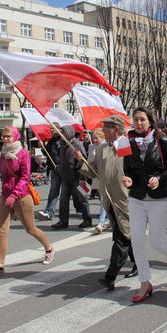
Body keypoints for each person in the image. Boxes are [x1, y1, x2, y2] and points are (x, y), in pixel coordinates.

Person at [122, 107, 167, 303]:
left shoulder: (163, 140)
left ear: (150, 121)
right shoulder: (128, 142)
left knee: (157, 240)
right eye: (135, 119)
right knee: (136, 240)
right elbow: (128, 170)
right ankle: (145, 282)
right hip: (136, 197)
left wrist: (160, 178)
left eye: (142, 119)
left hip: (158, 198)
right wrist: (128, 180)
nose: (139, 123)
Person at [74, 115, 138, 289]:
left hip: (125, 199)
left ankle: (110, 276)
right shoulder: (102, 147)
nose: (103, 131)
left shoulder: (127, 145)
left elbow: (135, 171)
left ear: (116, 129)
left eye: (106, 128)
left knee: (121, 237)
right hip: (109, 199)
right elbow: (94, 171)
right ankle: (138, 263)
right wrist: (82, 160)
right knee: (125, 233)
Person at [0, 126, 55, 277]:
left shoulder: (23, 154)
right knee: (1, 232)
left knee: (31, 229)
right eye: (3, 136)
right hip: (6, 196)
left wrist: (14, 195)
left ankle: (49, 248)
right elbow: (3, 176)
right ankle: (0, 266)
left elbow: (25, 177)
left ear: (15, 136)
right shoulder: (3, 154)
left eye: (8, 136)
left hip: (22, 197)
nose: (5, 139)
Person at [51, 125, 92, 229]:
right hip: (66, 178)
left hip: (79, 177)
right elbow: (62, 160)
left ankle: (87, 220)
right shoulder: (62, 144)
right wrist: (59, 167)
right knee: (63, 200)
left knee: (83, 198)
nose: (61, 135)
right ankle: (63, 221)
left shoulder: (77, 144)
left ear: (68, 133)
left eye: (63, 133)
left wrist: (79, 158)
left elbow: (85, 160)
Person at [87, 129, 110, 233]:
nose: (94, 140)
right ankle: (109, 219)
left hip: (106, 177)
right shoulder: (91, 147)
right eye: (93, 138)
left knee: (104, 200)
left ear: (103, 137)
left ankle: (101, 223)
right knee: (103, 200)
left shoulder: (107, 146)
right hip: (96, 176)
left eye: (96, 138)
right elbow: (89, 162)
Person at [38, 123, 62, 221]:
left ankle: (82, 208)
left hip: (65, 170)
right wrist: (42, 146)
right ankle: (49, 212)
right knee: (53, 191)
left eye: (53, 128)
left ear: (58, 128)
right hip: (54, 169)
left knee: (76, 191)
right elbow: (46, 153)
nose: (51, 130)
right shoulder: (52, 140)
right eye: (50, 128)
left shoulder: (63, 139)